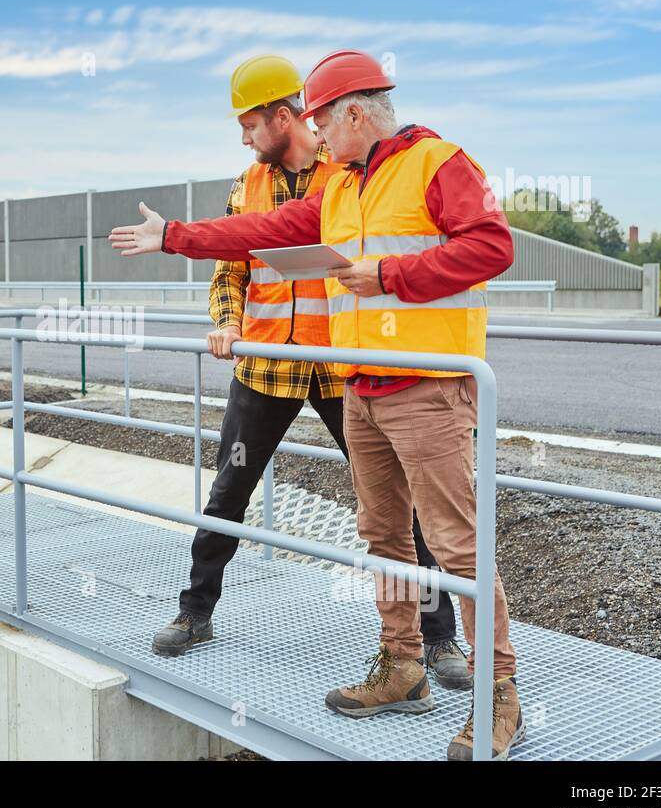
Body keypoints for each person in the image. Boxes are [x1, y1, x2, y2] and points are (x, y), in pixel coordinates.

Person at [109, 49, 523, 760]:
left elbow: (493, 245)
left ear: (354, 114)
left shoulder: (438, 163)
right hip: (357, 385)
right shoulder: (342, 186)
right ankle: (402, 666)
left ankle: (496, 698)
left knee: (455, 545)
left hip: (426, 385)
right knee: (384, 538)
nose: (317, 136)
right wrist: (175, 237)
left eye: (322, 122)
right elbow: (260, 234)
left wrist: (390, 274)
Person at [149, 54, 468, 692]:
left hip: (337, 368)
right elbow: (231, 266)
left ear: (285, 117)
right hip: (266, 366)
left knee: (396, 508)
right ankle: (195, 610)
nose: (243, 139)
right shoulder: (247, 185)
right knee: (228, 493)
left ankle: (438, 640)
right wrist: (226, 322)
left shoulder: (350, 172)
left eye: (248, 125)